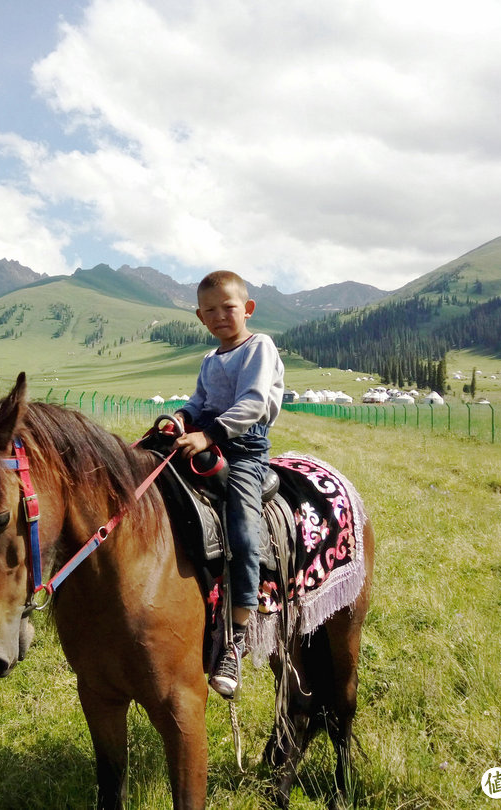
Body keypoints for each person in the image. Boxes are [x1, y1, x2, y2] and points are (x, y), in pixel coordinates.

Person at [173, 270, 285, 698]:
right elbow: (198, 402)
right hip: (207, 440)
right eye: (211, 311)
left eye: (229, 307)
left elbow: (254, 403)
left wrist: (209, 434)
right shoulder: (209, 359)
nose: (221, 316)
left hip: (243, 450)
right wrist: (182, 419)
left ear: (248, 309)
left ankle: (236, 637)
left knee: (241, 526)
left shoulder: (259, 347)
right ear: (201, 318)